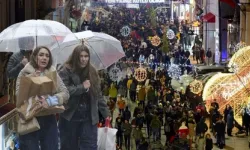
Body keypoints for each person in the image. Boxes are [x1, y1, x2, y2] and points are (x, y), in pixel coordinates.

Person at [16, 46, 69, 150]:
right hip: (30, 119)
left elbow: (65, 93)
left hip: (48, 118)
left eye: (47, 55)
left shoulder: (52, 73)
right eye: (41, 55)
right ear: (35, 57)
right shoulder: (24, 72)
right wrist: (31, 79)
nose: (44, 58)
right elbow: (19, 96)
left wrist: (50, 101)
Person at [58, 45, 111, 150]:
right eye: (80, 56)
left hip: (89, 117)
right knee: (68, 146)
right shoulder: (65, 70)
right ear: (75, 57)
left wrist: (106, 113)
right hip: (70, 116)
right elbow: (63, 91)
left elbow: (98, 94)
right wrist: (82, 87)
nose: (83, 59)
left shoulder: (92, 71)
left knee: (90, 146)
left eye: (86, 56)